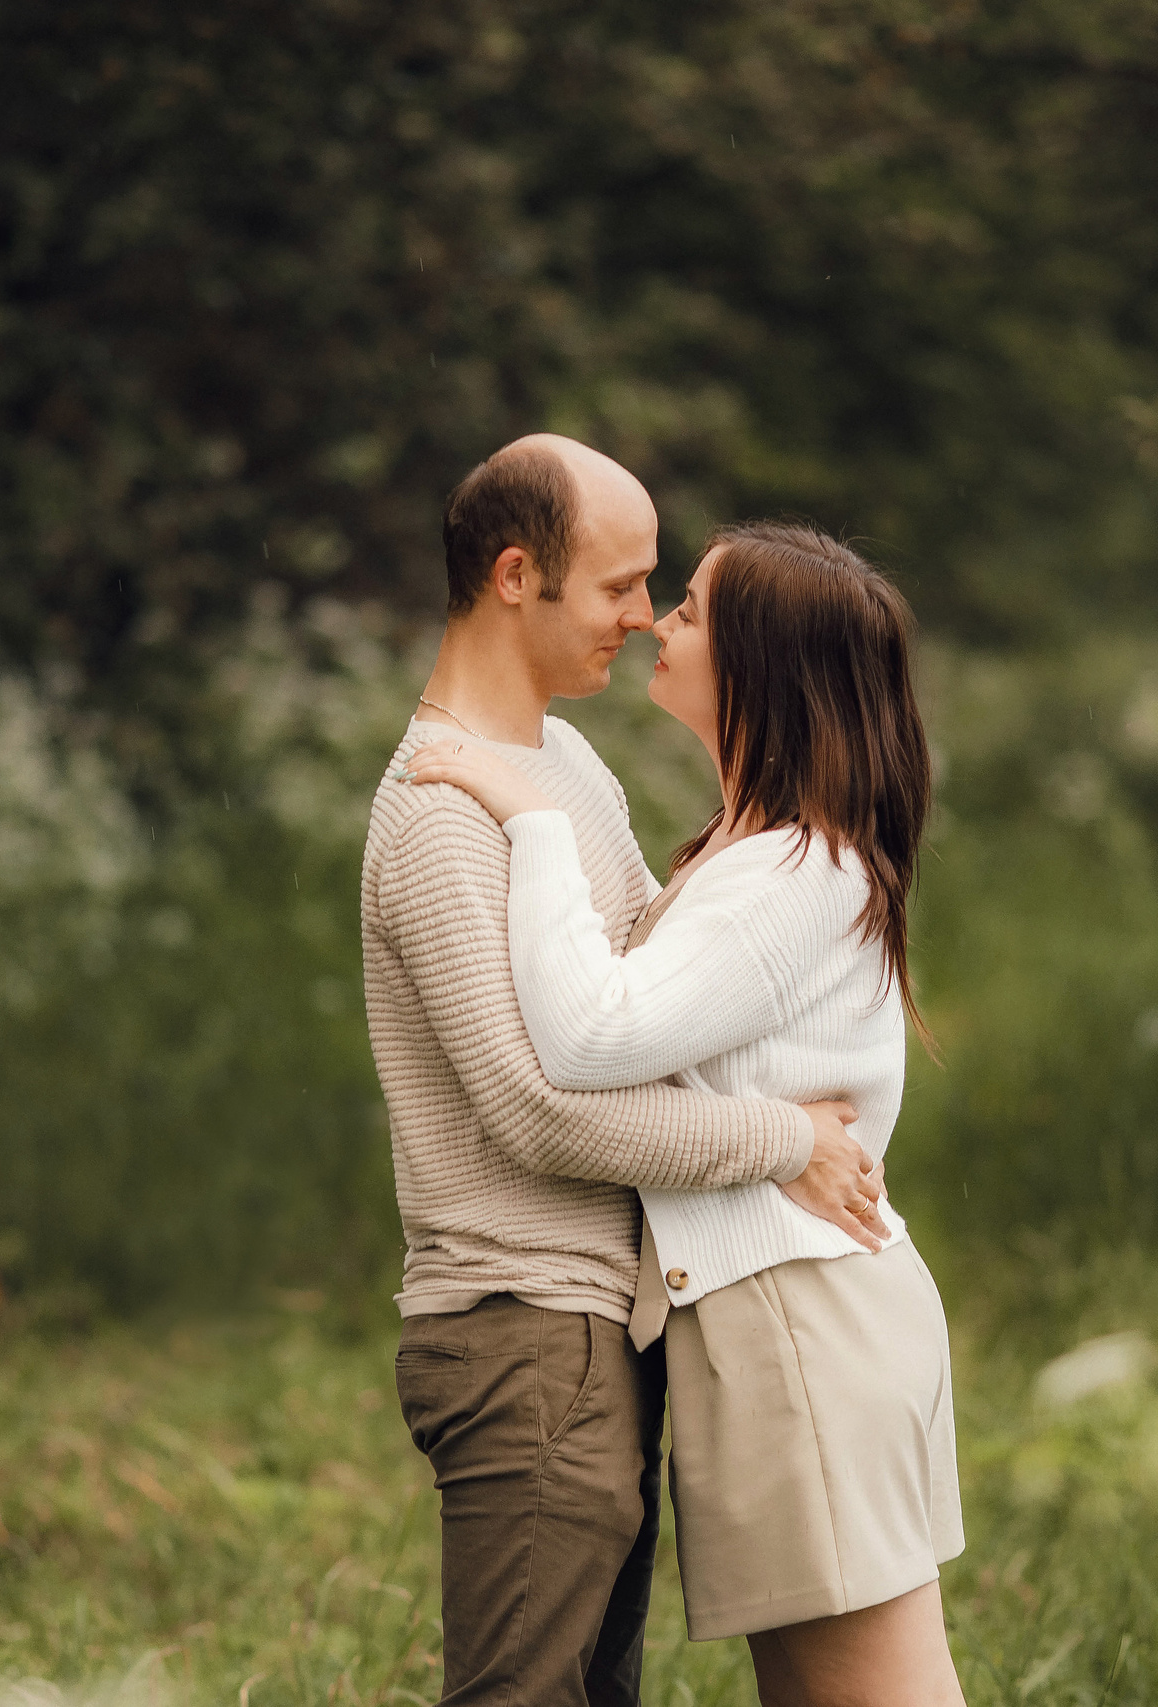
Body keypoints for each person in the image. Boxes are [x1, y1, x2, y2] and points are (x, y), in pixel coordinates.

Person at [400, 520, 966, 1707]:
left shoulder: (789, 873)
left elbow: (593, 1034)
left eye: (694, 608)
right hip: (788, 1320)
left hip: (798, 1326)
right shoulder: (751, 856)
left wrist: (533, 821)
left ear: (764, 664)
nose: (659, 619)